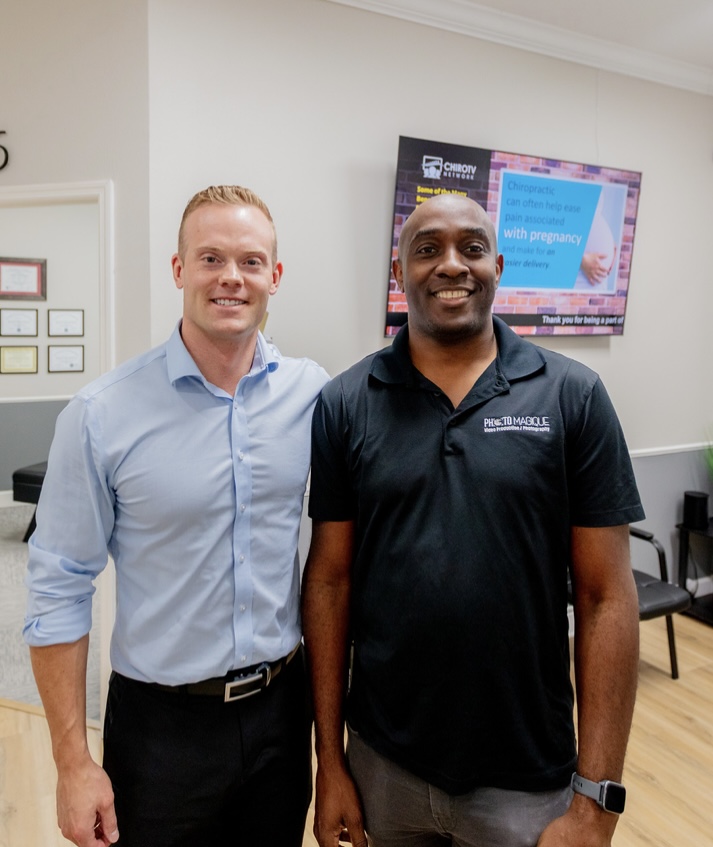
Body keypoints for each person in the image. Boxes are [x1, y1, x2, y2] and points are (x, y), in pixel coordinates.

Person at [302, 193, 642, 847]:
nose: (452, 264)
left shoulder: (571, 396)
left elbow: (607, 597)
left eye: (472, 248)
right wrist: (331, 762)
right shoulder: (345, 403)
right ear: (399, 272)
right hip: (383, 768)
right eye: (427, 249)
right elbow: (328, 583)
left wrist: (596, 801)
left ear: (498, 266)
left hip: (527, 780)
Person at [24, 185, 329, 847]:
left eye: (250, 261)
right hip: (161, 729)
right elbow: (58, 587)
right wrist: (72, 761)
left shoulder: (313, 395)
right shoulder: (101, 414)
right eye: (211, 257)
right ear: (178, 268)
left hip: (281, 715)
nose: (231, 277)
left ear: (274, 276)